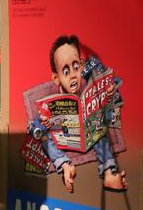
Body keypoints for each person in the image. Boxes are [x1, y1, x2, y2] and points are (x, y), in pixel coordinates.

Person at [36, 35, 127, 193]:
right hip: (64, 136)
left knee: (99, 124)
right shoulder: (51, 96)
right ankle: (65, 166)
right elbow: (38, 127)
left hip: (88, 131)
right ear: (56, 78)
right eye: (66, 71)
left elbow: (112, 108)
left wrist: (110, 94)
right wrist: (44, 122)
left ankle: (108, 172)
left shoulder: (89, 84)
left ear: (82, 65)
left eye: (76, 67)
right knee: (42, 133)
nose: (72, 74)